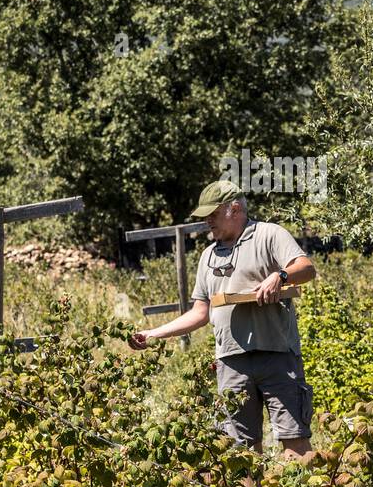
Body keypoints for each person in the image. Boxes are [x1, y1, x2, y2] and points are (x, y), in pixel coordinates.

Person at [129, 180, 316, 460]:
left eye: (213, 214)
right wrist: (154, 333)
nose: (207, 221)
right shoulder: (208, 256)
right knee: (239, 451)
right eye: (205, 216)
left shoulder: (269, 235)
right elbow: (199, 313)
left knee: (294, 441)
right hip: (231, 363)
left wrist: (280, 276)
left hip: (277, 356)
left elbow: (306, 268)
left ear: (235, 208)